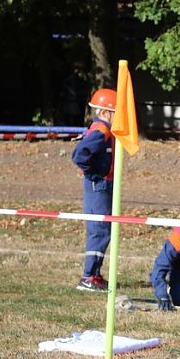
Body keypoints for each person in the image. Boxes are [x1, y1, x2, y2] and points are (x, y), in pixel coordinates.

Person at [71, 88, 116, 292]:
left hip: (102, 183)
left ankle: (95, 274)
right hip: (98, 184)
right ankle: (88, 276)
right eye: (116, 113)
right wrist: (95, 173)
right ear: (106, 112)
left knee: (104, 230)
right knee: (99, 230)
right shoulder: (101, 130)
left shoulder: (105, 129)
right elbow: (80, 155)